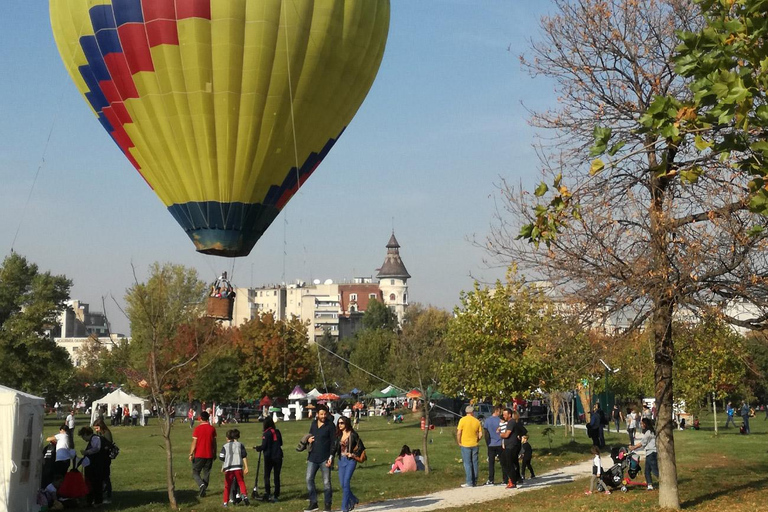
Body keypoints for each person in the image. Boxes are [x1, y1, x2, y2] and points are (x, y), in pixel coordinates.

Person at [305, 404, 335, 512]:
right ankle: (313, 502)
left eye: (325, 414)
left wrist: (331, 457)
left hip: (325, 458)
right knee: (309, 479)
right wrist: (308, 440)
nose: (323, 416)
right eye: (321, 414)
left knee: (326, 482)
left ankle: (327, 504)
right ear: (317, 414)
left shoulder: (330, 425)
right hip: (313, 457)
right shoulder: (313, 424)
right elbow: (310, 435)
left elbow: (333, 442)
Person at [333, 416, 364, 512]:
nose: (340, 425)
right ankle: (354, 499)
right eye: (339, 423)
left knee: (346, 482)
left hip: (350, 461)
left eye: (342, 423)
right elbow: (334, 447)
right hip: (341, 460)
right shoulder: (338, 435)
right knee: (343, 484)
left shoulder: (353, 434)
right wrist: (331, 457)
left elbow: (361, 447)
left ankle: (344, 507)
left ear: (346, 423)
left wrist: (353, 454)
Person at [255, 416, 283, 503]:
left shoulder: (266, 433)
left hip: (269, 457)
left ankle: (268, 492)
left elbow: (264, 446)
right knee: (276, 476)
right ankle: (276, 494)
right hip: (278, 455)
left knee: (267, 475)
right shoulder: (277, 432)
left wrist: (258, 448)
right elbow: (280, 443)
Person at [219, 429, 250, 507]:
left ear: (227, 438)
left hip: (229, 468)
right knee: (241, 482)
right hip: (238, 466)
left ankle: (225, 502)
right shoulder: (240, 445)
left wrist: (224, 464)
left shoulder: (225, 446)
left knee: (227, 485)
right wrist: (246, 466)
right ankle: (244, 495)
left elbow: (221, 457)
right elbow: (244, 455)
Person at [190, 410, 217, 497]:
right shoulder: (212, 429)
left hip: (199, 454)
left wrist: (191, 453)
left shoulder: (197, 429)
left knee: (195, 472)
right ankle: (204, 489)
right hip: (209, 454)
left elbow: (194, 442)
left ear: (201, 419)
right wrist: (215, 452)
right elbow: (214, 442)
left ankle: (201, 485)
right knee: (207, 472)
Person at [456, 405, 483, 488]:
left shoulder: (462, 420)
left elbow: (459, 432)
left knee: (467, 463)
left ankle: (469, 482)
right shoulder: (477, 421)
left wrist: (459, 442)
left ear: (466, 412)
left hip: (465, 444)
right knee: (475, 463)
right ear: (472, 412)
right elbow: (480, 434)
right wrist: (477, 440)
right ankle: (475, 481)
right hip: (474, 444)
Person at [78, 426, 106, 507]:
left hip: (95, 466)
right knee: (91, 483)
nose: (83, 439)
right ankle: (90, 500)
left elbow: (96, 448)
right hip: (93, 465)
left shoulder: (95, 438)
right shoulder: (93, 439)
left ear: (85, 434)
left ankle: (97, 501)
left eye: (83, 436)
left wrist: (86, 452)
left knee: (96, 483)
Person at [630, 417, 659, 490]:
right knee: (647, 470)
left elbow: (642, 443)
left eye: (642, 424)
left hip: (651, 453)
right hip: (651, 453)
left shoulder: (648, 433)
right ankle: (649, 485)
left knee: (655, 470)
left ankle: (665, 482)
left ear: (645, 424)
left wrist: (633, 447)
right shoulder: (653, 431)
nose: (641, 425)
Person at [94, 419, 114, 504]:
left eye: (97, 428)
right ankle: (102, 494)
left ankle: (107, 495)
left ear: (101, 426)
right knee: (101, 476)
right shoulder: (99, 433)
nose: (96, 430)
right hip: (100, 457)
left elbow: (109, 444)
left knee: (105, 477)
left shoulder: (106, 433)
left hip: (105, 457)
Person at [483, 405, 503, 485]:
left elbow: (486, 433)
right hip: (500, 443)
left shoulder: (487, 420)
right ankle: (505, 479)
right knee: (503, 462)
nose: (500, 413)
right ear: (496, 411)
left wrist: (487, 442)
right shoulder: (500, 420)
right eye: (499, 411)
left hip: (491, 443)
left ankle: (491, 479)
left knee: (491, 463)